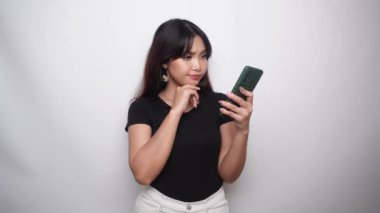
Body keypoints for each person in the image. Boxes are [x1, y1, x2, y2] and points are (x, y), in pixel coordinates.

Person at [125, 18, 254, 213]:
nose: (198, 66)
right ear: (164, 61)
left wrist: (243, 130)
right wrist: (176, 111)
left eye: (203, 56)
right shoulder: (142, 108)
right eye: (187, 57)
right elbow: (143, 175)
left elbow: (229, 175)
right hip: (159, 207)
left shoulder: (219, 104)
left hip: (213, 207)